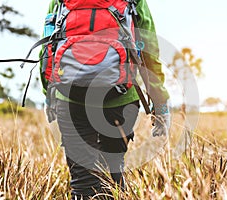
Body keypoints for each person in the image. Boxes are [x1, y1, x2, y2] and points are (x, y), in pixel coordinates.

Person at [40, 0, 170, 199]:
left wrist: (49, 95)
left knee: (83, 178)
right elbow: (149, 50)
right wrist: (160, 103)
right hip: (122, 98)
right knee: (114, 169)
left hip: (69, 97)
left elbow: (48, 47)